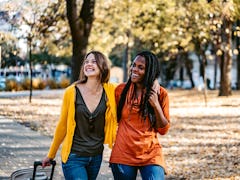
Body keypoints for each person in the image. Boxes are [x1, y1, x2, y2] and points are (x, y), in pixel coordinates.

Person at [42, 50, 118, 180]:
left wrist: (154, 82)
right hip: (74, 157)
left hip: (96, 156)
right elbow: (62, 125)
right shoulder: (71, 92)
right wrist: (51, 154)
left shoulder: (111, 91)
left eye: (94, 61)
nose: (89, 64)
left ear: (103, 66)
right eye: (86, 62)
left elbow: (134, 88)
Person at [109, 50, 170, 180]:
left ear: (149, 71)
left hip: (151, 153)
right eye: (134, 65)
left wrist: (155, 105)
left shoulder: (161, 94)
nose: (134, 69)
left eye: (140, 67)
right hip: (123, 153)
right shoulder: (120, 91)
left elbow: (163, 129)